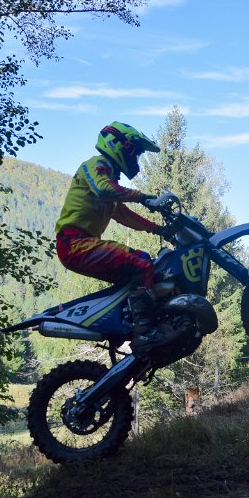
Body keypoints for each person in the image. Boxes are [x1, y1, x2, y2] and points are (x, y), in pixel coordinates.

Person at [54, 121, 172, 352]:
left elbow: (123, 214)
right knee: (141, 263)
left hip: (80, 244)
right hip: (74, 243)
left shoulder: (109, 180)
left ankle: (125, 326)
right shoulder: (96, 165)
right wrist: (143, 197)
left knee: (138, 278)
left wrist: (158, 229)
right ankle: (145, 332)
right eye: (135, 152)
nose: (136, 157)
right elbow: (103, 188)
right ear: (120, 146)